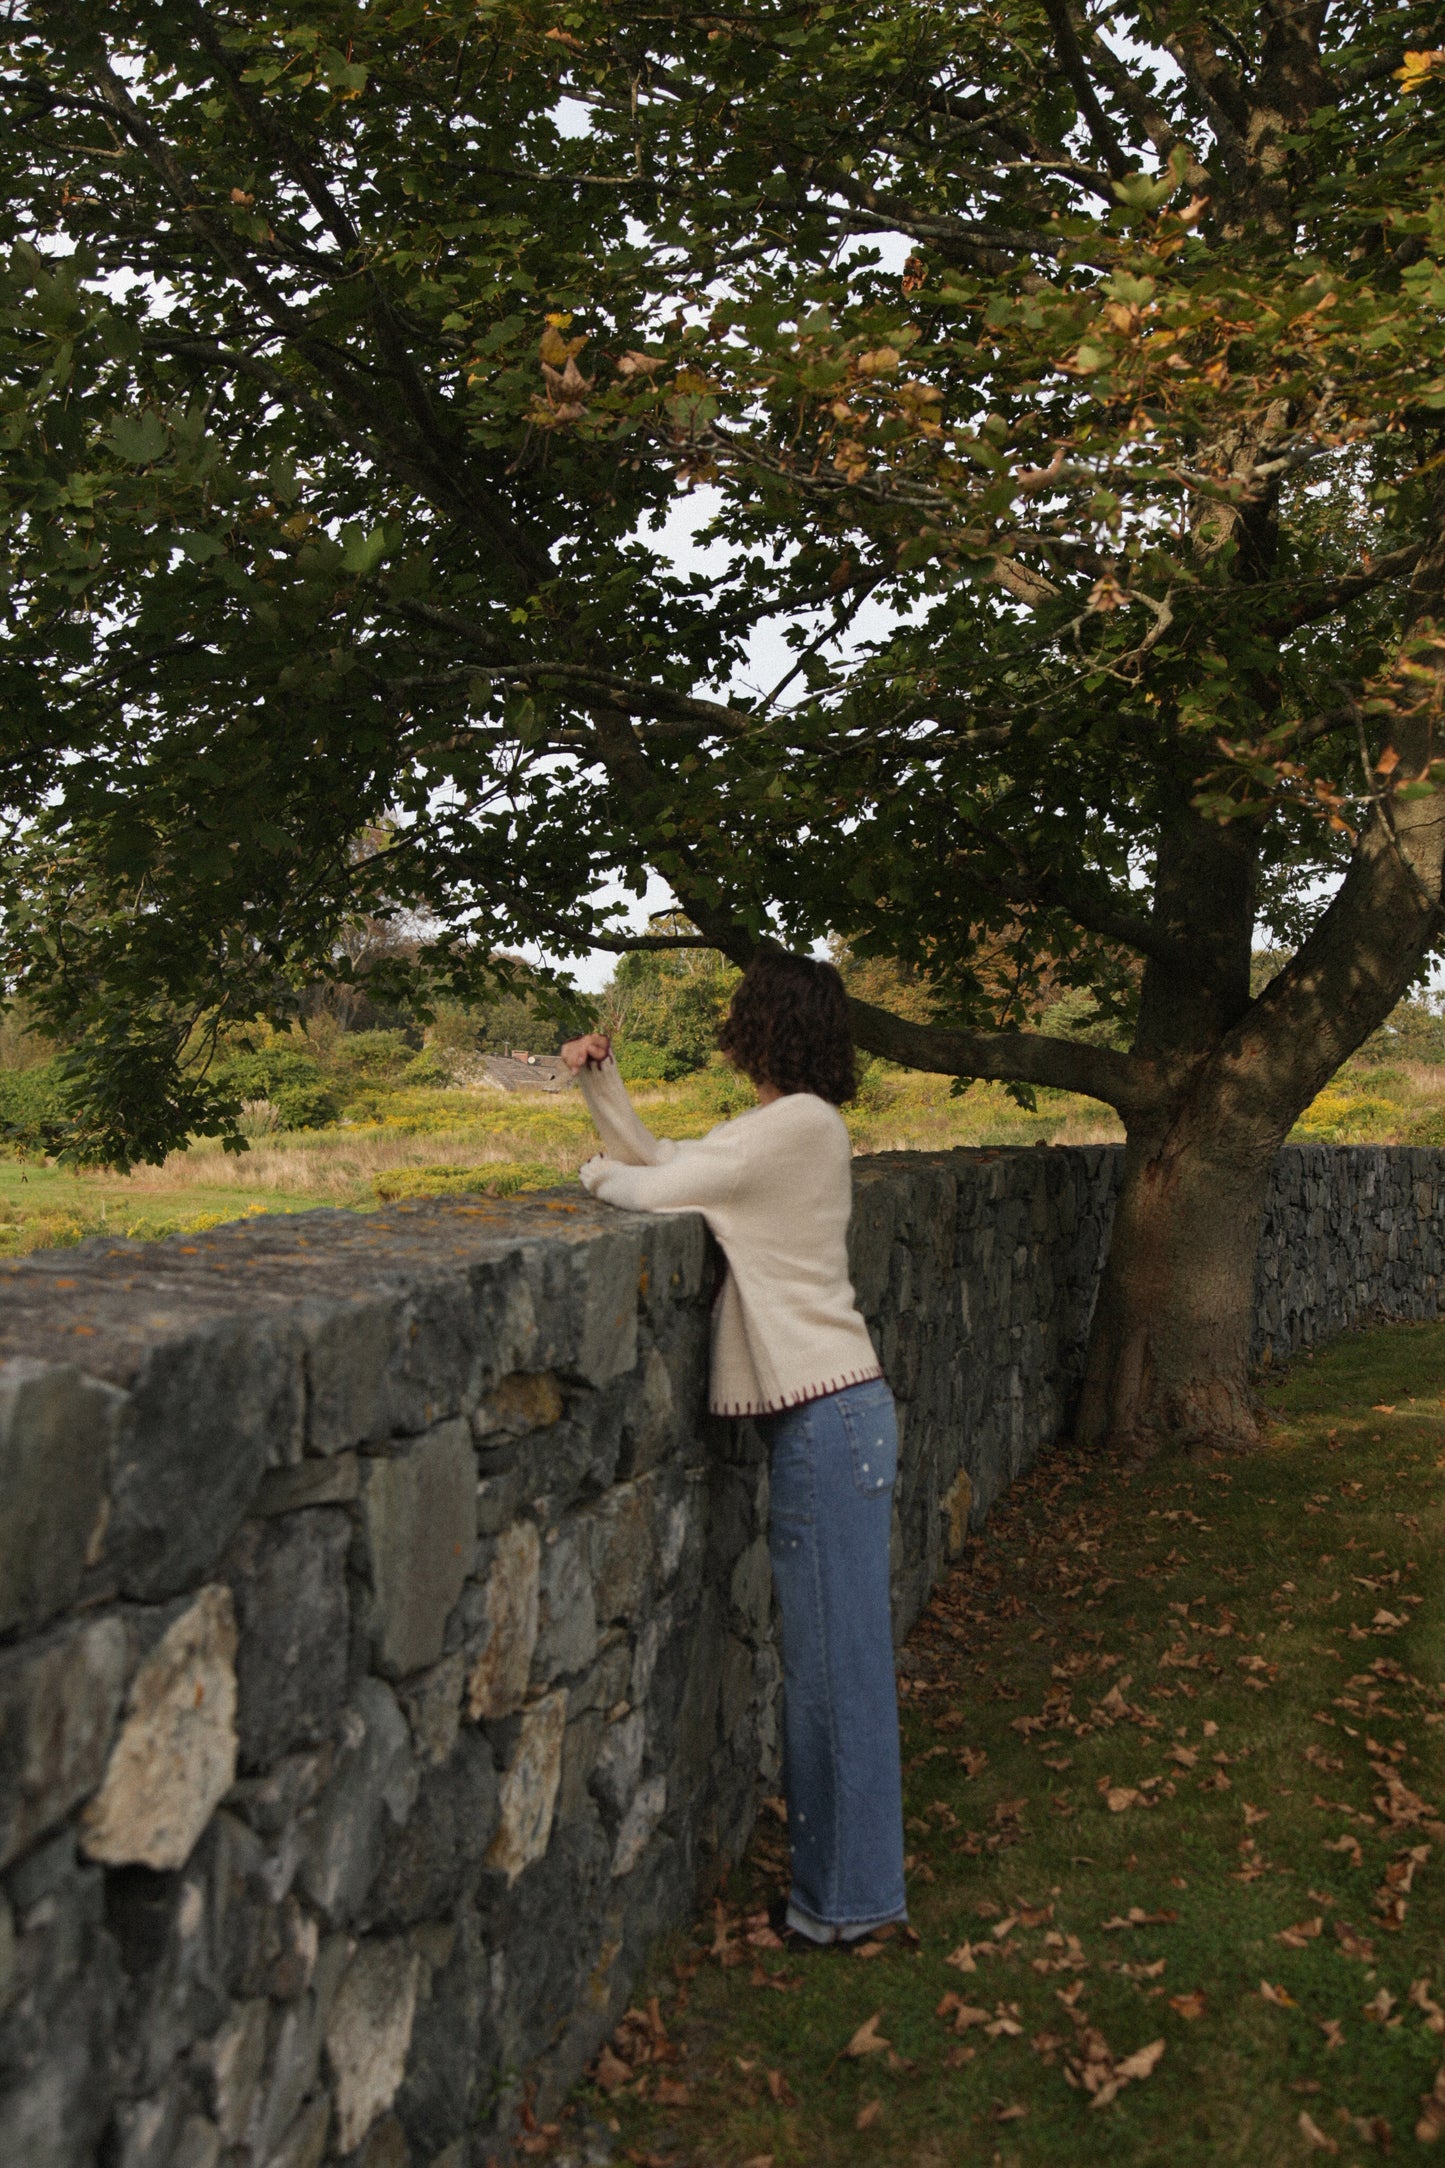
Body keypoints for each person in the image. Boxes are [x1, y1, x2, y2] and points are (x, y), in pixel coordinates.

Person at [559, 950, 907, 1950]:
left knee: (833, 1676)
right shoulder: (780, 1128)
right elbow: (677, 1163)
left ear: (761, 1026)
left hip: (827, 1419)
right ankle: (849, 1893)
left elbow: (654, 1189)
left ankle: (845, 1903)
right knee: (833, 1667)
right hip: (831, 1416)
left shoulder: (798, 1126)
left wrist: (592, 1173)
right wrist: (600, 1085)